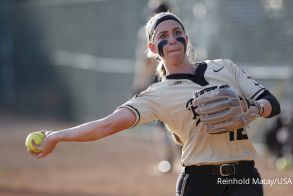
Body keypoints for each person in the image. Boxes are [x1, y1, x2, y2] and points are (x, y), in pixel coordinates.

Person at [28, 12, 280, 196]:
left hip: (245, 178)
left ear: (186, 39)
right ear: (152, 47)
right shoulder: (157, 94)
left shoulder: (225, 68)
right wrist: (57, 136)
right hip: (200, 183)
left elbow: (271, 103)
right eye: (163, 36)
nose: (172, 39)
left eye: (177, 33)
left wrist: (253, 109)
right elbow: (107, 126)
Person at [133, 1, 181, 173]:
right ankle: (181, 161)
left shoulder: (146, 32)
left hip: (159, 78)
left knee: (162, 123)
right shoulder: (179, 28)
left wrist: (139, 84)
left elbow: (145, 61)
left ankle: (169, 161)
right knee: (178, 119)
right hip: (178, 76)